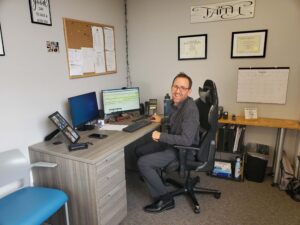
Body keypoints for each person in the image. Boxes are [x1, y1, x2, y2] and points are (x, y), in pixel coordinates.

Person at [136, 72, 200, 213]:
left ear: (189, 91)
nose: (178, 90)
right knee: (139, 150)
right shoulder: (176, 103)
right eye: (176, 86)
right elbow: (175, 121)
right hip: (173, 143)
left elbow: (186, 140)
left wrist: (160, 136)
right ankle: (156, 180)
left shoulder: (190, 109)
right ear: (171, 87)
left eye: (183, 88)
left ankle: (166, 199)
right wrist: (162, 120)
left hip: (183, 150)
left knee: (143, 162)